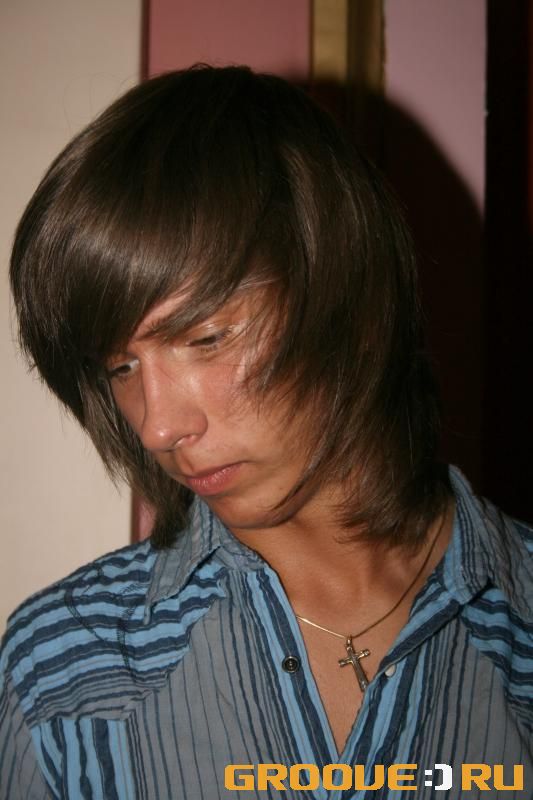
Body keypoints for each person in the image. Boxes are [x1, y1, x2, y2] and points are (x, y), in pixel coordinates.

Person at [1, 65, 531, 800]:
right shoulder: (65, 671)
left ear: (344, 293)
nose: (157, 427)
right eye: (121, 367)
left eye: (206, 338)